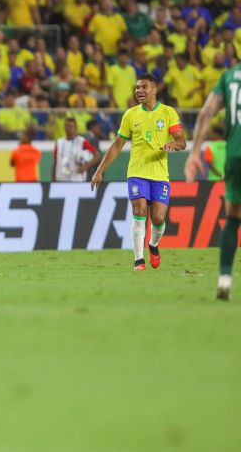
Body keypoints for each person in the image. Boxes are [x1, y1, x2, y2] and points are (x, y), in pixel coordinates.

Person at [91, 74, 185, 271]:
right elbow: (117, 145)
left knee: (158, 218)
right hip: (137, 172)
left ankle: (153, 245)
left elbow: (181, 142)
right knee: (139, 210)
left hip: (159, 174)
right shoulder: (130, 115)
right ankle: (138, 259)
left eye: (144, 87)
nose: (139, 91)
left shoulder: (168, 112)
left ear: (154, 89)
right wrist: (99, 170)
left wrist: (173, 144)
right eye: (137, 87)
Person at [185, 64, 241, 300]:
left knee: (233, 216)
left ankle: (224, 278)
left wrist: (194, 153)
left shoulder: (229, 77)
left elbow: (206, 113)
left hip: (235, 154)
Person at [52, 117, 99, 182]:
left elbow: (97, 156)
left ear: (76, 128)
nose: (69, 129)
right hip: (61, 180)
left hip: (76, 180)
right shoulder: (59, 143)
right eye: (67, 126)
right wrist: (53, 179)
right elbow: (55, 162)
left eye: (71, 126)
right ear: (64, 127)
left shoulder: (82, 141)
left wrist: (86, 166)